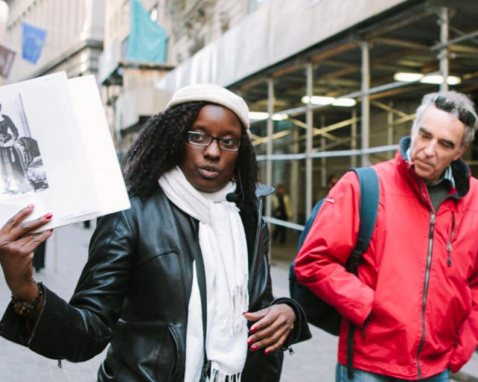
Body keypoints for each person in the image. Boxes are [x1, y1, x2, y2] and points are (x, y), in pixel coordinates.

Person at [0, 83, 310, 381]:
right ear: (175, 138)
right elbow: (89, 332)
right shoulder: (131, 215)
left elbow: (257, 306)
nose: (213, 151)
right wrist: (25, 289)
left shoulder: (248, 218)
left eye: (228, 141)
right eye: (198, 136)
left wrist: (287, 312)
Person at [294, 90, 478, 381]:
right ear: (413, 129)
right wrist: (369, 306)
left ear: (460, 152)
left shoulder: (475, 202)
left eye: (445, 144)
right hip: (370, 365)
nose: (430, 150)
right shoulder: (363, 186)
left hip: (437, 368)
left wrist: (461, 349)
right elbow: (313, 261)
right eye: (425, 135)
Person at [0, 103, 26, 194]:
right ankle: (6, 187)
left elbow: (15, 130)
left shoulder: (5, 117)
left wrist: (12, 140)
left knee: (14, 163)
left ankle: (20, 185)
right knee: (2, 166)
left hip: (9, 144)